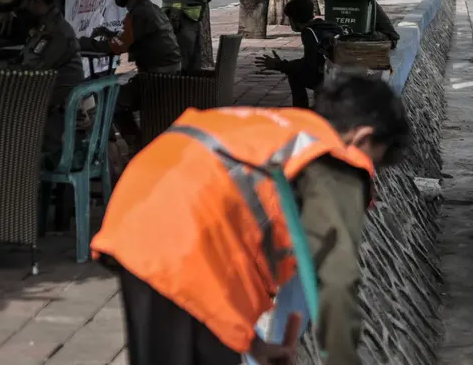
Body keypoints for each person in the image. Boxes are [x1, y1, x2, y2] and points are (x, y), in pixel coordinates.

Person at [90, 74, 410, 365]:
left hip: (135, 218)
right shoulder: (334, 159)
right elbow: (336, 280)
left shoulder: (281, 129)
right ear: (363, 137)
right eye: (375, 160)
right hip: (182, 239)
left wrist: (255, 345)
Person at [79, 0, 182, 151]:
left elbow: (117, 47)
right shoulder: (146, 8)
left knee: (114, 99)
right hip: (166, 71)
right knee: (115, 85)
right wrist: (109, 33)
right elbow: (126, 40)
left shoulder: (140, 13)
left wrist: (82, 43)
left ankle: (137, 146)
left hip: (157, 77)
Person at [0, 0, 85, 167]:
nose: (17, 12)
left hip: (54, 125)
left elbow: (26, 75)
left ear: (35, 1)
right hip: (46, 115)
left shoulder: (54, 34)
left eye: (20, 5)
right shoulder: (45, 29)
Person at [255, 0, 346, 109]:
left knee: (294, 75)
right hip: (343, 74)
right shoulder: (330, 26)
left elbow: (309, 65)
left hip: (329, 79)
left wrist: (280, 66)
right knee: (294, 69)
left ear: (293, 20)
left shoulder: (309, 32)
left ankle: (301, 112)